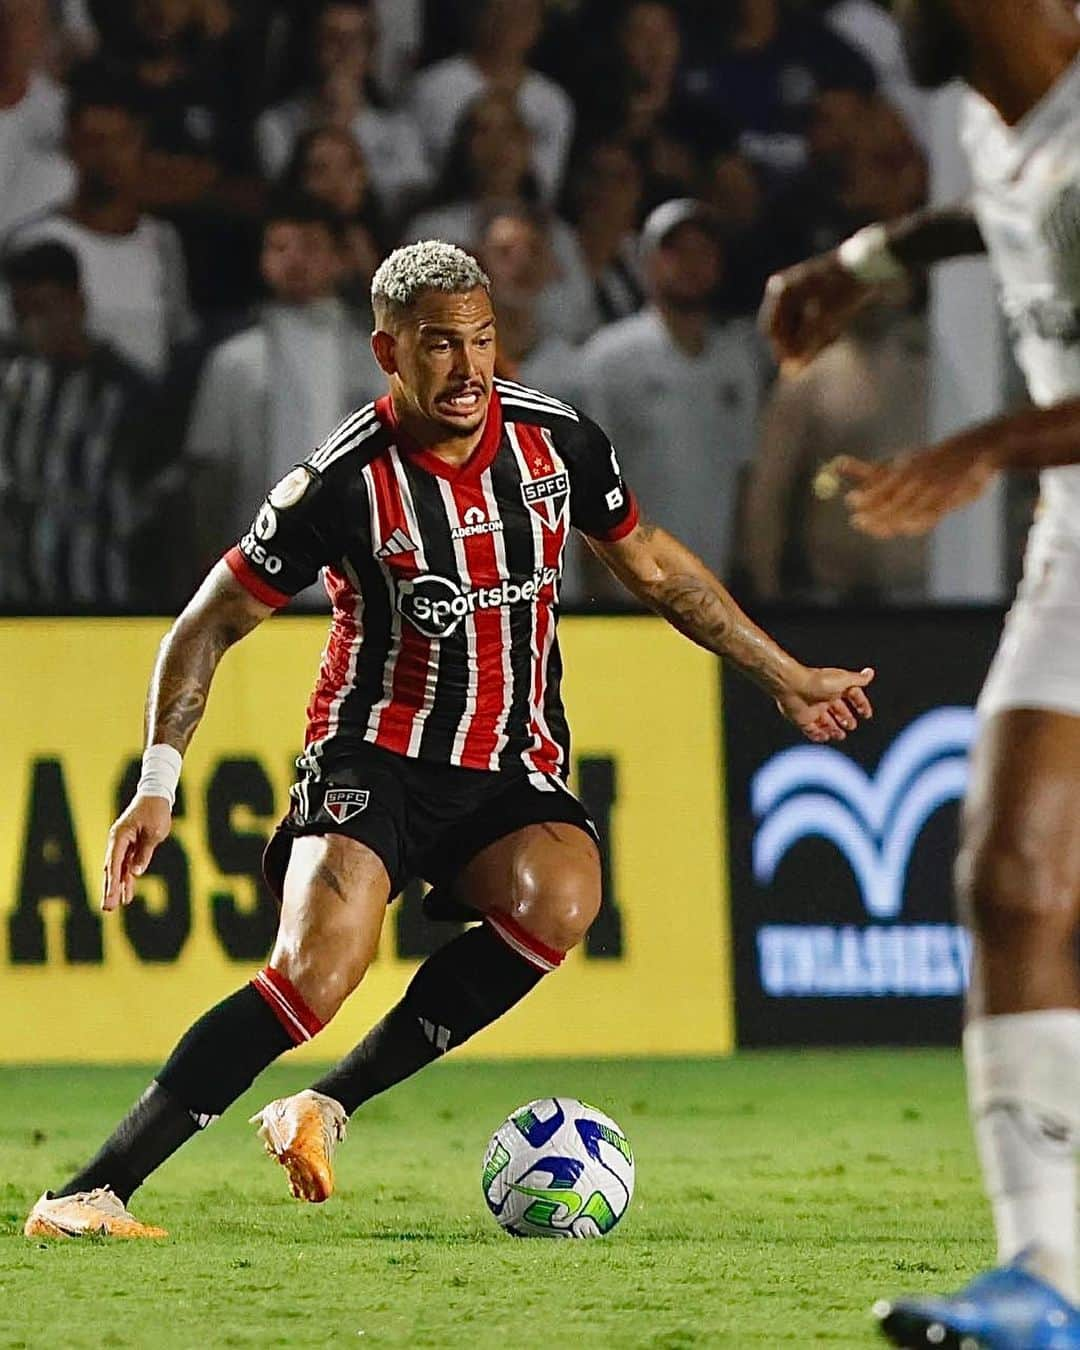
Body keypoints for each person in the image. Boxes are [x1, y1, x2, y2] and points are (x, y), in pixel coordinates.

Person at [23, 237, 873, 1239]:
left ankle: (324, 1106)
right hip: (372, 755)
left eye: (482, 339)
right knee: (315, 973)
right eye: (439, 347)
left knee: (564, 896)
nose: (468, 368)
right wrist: (158, 783)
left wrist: (783, 675)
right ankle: (90, 1192)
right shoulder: (340, 481)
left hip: (508, 764)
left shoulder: (558, 443)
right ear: (390, 353)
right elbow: (205, 624)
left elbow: (657, 570)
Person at [760, 2, 1080, 1345]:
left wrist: (983, 449)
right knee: (1007, 877)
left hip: (1047, 472)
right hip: (1078, 522)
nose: (901, 12)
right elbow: (1011, 217)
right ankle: (1047, 1280)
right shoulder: (987, 120)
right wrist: (873, 256)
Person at [185, 193, 383, 572]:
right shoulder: (234, 361)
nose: (294, 260)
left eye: (310, 246)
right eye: (279, 247)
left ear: (340, 259)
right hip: (256, 564)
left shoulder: (375, 358)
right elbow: (209, 478)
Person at [580, 199, 762, 585]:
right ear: (646, 262)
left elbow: (746, 473)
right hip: (630, 590)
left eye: (703, 251)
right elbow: (585, 480)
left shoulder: (738, 360)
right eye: (675, 251)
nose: (691, 263)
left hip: (716, 589)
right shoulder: (609, 358)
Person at [0, 240, 177, 608]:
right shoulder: (10, 384)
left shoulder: (129, 392)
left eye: (42, 309)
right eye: (21, 312)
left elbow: (161, 502)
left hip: (101, 598)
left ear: (75, 303)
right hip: (15, 600)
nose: (31, 325)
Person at [5, 63, 195, 378]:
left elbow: (176, 344)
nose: (107, 156)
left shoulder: (164, 242)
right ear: (72, 145)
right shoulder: (33, 240)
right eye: (94, 141)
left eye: (121, 141)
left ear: (140, 144)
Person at [256, 0, 429, 223]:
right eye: (333, 39)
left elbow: (407, 198)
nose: (344, 52)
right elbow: (290, 196)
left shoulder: (401, 131)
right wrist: (335, 120)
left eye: (355, 40)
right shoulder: (276, 125)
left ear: (371, 54)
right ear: (313, 48)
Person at [408, 0, 574, 205]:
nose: (510, 22)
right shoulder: (432, 87)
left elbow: (547, 186)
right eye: (500, 11)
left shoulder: (553, 102)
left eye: (523, 13)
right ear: (477, 14)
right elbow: (413, 174)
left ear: (539, 23)